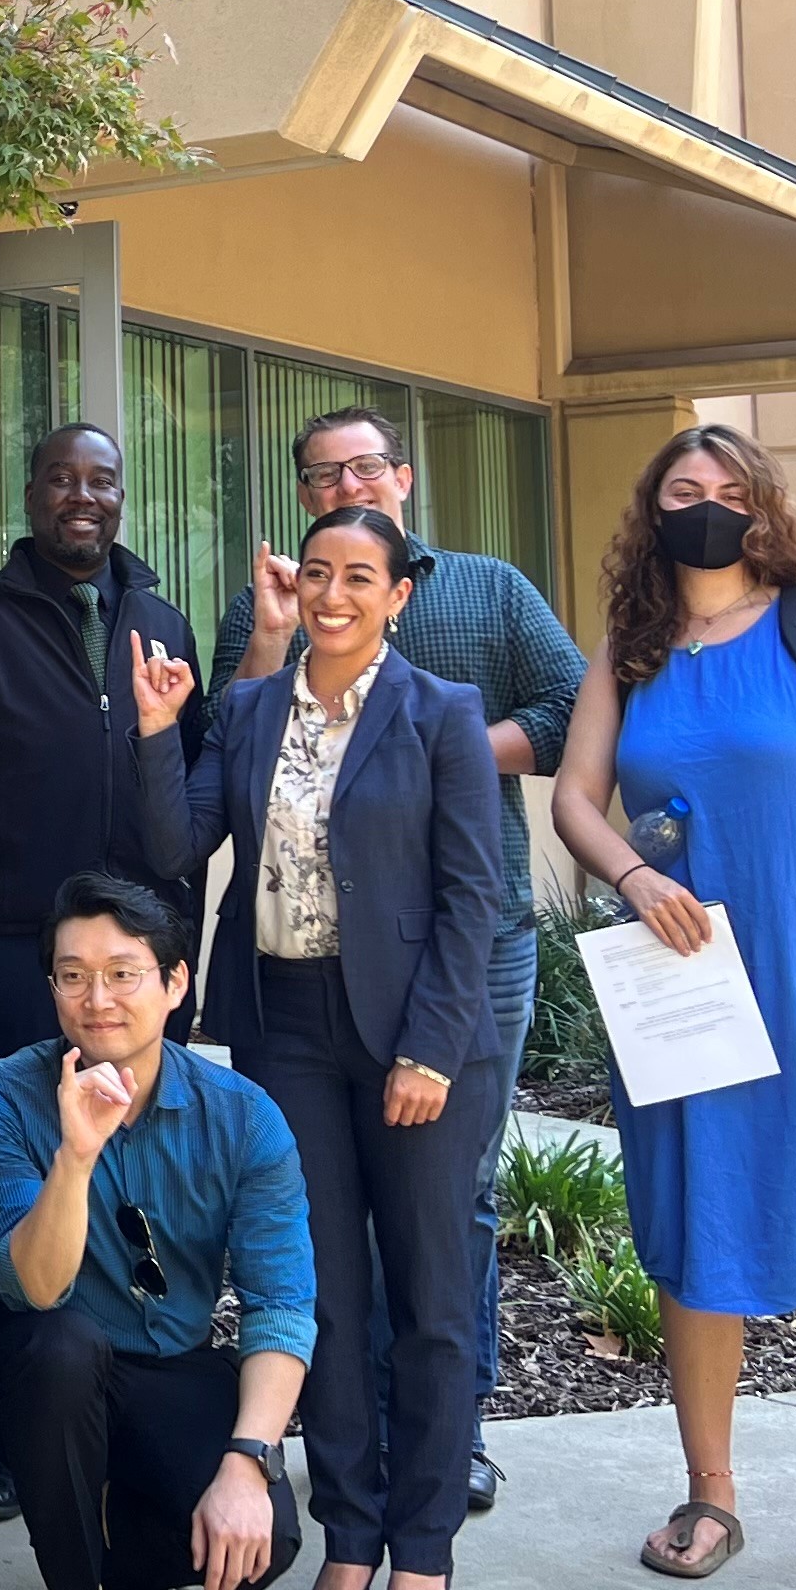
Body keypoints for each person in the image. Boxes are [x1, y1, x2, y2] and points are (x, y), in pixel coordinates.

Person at [550, 423, 796, 1590]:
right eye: (682, 489)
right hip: (684, 969)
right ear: (651, 510)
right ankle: (709, 1490)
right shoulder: (633, 644)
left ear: (761, 505)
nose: (705, 507)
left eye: (726, 490)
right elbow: (575, 797)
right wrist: (633, 875)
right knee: (696, 1201)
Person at [135, 506, 499, 1590]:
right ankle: (350, 1529)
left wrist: (432, 1048)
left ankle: (425, 1547)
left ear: (398, 595)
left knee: (432, 1298)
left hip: (412, 1031)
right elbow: (174, 847)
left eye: (361, 577)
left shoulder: (442, 716)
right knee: (323, 1292)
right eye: (317, 573)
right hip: (284, 1023)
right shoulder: (246, 712)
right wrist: (157, 734)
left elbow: (471, 898)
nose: (334, 595)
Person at [209, 403, 582, 1516]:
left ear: (403, 478)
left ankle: (450, 1433)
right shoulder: (276, 604)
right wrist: (276, 634)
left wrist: (434, 753)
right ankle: (352, 1447)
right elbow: (227, 748)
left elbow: (564, 709)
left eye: (362, 467)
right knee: (325, 1226)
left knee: (446, 1203)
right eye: (319, 475)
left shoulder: (488, 591)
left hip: (472, 940)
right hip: (304, 978)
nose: (342, 484)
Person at [0, 420, 197, 1527]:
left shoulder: (158, 619)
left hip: (139, 959)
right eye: (61, 478)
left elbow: (182, 787)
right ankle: (11, 1430)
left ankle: (125, 1406)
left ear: (121, 496)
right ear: (32, 493)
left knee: (141, 1184)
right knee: (19, 1185)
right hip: (21, 943)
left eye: (101, 479)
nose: (81, 495)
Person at [0, 873, 310, 1590]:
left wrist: (247, 1465)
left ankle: (128, 1566)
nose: (97, 997)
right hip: (36, 1364)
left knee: (269, 1538)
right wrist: (75, 1155)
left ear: (175, 981)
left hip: (167, 1363)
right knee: (60, 1345)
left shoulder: (243, 1118)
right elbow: (36, 1287)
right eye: (72, 975)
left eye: (123, 971)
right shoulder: (2, 1100)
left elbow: (281, 1306)